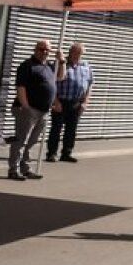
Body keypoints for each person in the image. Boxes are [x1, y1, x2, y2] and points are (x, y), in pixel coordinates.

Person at [9, 39, 57, 180]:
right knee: (21, 140)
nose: (45, 52)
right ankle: (13, 170)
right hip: (28, 109)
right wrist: (26, 106)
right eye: (42, 49)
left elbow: (61, 77)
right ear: (35, 50)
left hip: (43, 111)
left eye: (47, 50)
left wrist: (62, 61)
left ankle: (25, 168)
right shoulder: (27, 65)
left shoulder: (49, 66)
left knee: (32, 141)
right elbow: (21, 87)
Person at [47, 43, 93, 162]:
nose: (77, 55)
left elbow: (89, 85)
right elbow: (52, 84)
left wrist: (85, 102)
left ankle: (66, 153)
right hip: (61, 101)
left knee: (71, 129)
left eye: (80, 53)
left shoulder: (86, 66)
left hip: (76, 102)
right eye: (75, 52)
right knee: (56, 128)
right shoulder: (60, 64)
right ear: (70, 52)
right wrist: (55, 101)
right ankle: (51, 153)